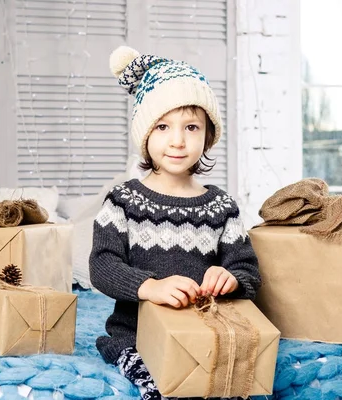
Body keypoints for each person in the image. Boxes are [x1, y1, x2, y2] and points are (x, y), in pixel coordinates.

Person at [89, 45, 261, 400]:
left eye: (192, 127)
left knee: (237, 384)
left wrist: (231, 279)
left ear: (208, 136)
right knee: (163, 389)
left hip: (202, 334)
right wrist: (149, 287)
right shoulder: (123, 201)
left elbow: (248, 271)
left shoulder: (221, 206)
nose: (178, 140)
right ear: (145, 136)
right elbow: (102, 265)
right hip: (135, 336)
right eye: (163, 126)